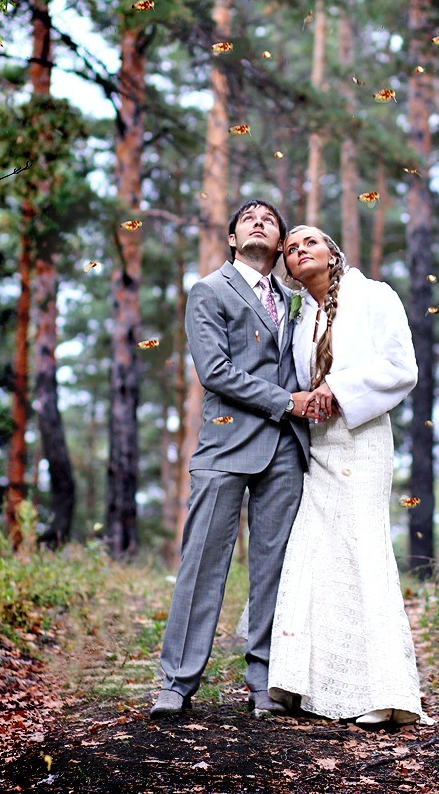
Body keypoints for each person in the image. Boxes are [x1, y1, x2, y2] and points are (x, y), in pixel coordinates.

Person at [150, 200, 312, 720]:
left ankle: (265, 681)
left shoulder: (295, 300)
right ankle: (177, 682)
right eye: (248, 218)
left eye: (269, 220)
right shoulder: (209, 290)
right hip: (225, 444)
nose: (259, 222)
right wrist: (286, 401)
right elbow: (214, 370)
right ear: (232, 239)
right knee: (201, 563)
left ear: (281, 243)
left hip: (285, 448)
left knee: (274, 569)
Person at [267, 225, 433, 726]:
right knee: (314, 553)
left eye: (310, 242)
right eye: (291, 249)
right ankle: (305, 684)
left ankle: (384, 693)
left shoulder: (374, 295)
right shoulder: (298, 315)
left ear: (332, 252)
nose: (300, 250)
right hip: (318, 443)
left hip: (363, 439)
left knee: (363, 549)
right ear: (287, 266)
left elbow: (402, 367)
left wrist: (338, 389)